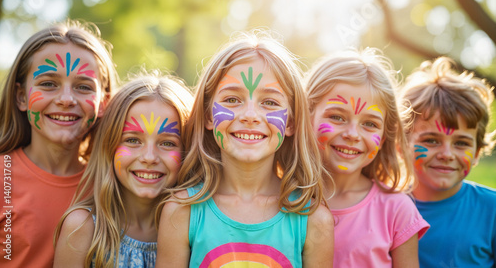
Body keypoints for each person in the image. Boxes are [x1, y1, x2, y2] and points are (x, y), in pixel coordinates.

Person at [156, 30, 334, 268]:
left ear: (290, 122)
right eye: (232, 99)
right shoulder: (182, 212)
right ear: (208, 115)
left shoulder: (313, 220)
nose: (250, 115)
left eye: (270, 103)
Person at [0, 20, 117, 267]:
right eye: (49, 84)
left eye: (83, 87)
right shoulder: (0, 178)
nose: (66, 99)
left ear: (103, 103)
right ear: (21, 97)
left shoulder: (110, 183)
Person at [306, 48, 430, 267]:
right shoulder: (284, 198)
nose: (352, 134)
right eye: (337, 117)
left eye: (369, 124)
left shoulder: (396, 210)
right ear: (306, 117)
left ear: (383, 137)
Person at [54, 73, 193, 267]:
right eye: (132, 140)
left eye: (168, 143)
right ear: (109, 146)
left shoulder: (195, 228)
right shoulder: (82, 229)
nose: (149, 157)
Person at [399, 57, 496, 267]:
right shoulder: (384, 207)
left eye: (461, 143)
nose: (446, 154)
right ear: (400, 144)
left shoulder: (492, 210)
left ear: (478, 151)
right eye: (431, 140)